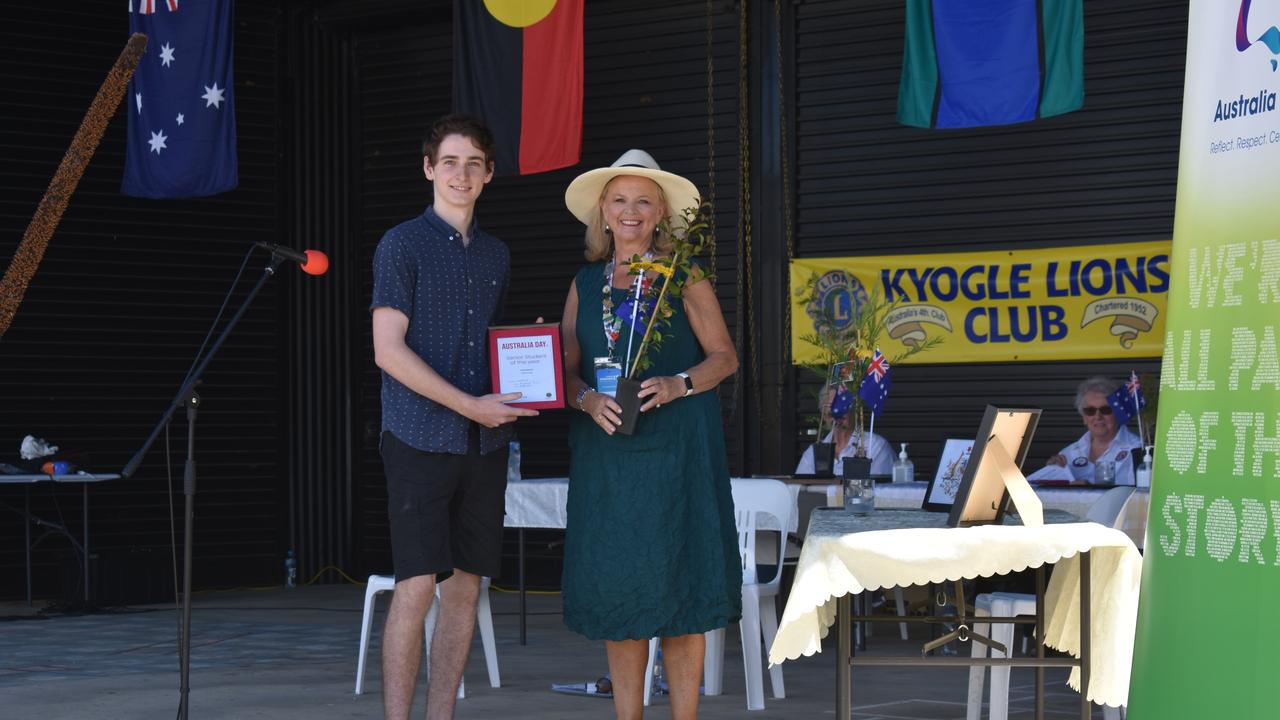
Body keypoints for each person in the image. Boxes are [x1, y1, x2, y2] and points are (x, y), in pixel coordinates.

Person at [558, 149, 741, 719]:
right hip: (609, 462)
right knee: (621, 594)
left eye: (643, 201)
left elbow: (725, 358)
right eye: (620, 200)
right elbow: (561, 371)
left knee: (682, 594)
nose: (630, 211)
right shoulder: (585, 284)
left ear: (661, 212)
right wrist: (586, 398)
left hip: (678, 456)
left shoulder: (684, 275)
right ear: (603, 213)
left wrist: (678, 383)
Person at [370, 115, 537, 720]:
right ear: (428, 168)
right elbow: (387, 350)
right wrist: (470, 405)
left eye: (473, 164)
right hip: (417, 438)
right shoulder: (400, 244)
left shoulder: (496, 254)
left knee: (465, 587)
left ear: (489, 174)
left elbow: (496, 345)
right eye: (449, 162)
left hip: (485, 446)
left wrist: (524, 383)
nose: (461, 174)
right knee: (416, 586)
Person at [1039, 376, 1142, 485]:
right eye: (1090, 410)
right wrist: (1051, 472)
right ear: (1083, 417)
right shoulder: (1067, 454)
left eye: (1105, 410)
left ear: (1118, 413)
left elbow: (1140, 496)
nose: (1098, 416)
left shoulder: (1137, 450)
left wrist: (1089, 489)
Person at [794, 385, 894, 476]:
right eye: (830, 413)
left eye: (840, 411)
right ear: (823, 416)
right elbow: (799, 489)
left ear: (854, 410)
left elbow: (880, 490)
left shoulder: (875, 446)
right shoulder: (813, 453)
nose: (835, 418)